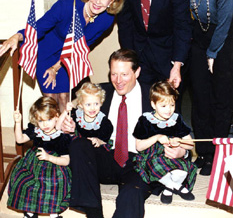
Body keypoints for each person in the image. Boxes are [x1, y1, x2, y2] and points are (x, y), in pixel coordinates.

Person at [63, 48, 188, 218]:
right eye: (114, 74)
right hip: (107, 157)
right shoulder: (101, 94)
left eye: (124, 74)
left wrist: (181, 151)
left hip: (140, 163)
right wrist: (68, 126)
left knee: (131, 193)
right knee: (78, 145)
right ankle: (93, 214)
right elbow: (78, 116)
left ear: (137, 72)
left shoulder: (156, 96)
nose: (118, 81)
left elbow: (182, 137)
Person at [0, 0, 124, 112]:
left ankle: (65, 132)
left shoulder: (106, 19)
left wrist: (56, 67)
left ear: (111, 2)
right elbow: (39, 27)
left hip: (69, 54)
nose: (97, 1)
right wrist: (17, 36)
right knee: (51, 97)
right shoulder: (66, 5)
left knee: (65, 98)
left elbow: (83, 46)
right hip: (46, 49)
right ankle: (51, 131)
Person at [166, 0, 233, 175]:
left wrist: (213, 53)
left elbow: (224, 22)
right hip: (197, 39)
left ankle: (218, 153)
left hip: (223, 41)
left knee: (221, 100)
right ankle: (203, 153)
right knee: (200, 99)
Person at [133, 81, 197, 205]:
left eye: (172, 105)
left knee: (183, 171)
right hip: (151, 159)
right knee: (157, 165)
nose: (169, 110)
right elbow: (139, 146)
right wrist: (157, 137)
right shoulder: (145, 120)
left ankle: (168, 188)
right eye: (163, 106)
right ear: (153, 104)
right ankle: (177, 187)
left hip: (171, 157)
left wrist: (180, 142)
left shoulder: (176, 119)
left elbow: (191, 144)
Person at [7, 96, 72, 218]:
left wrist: (49, 157)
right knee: (25, 182)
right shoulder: (36, 131)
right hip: (33, 164)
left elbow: (66, 160)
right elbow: (19, 139)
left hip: (54, 167)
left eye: (49, 119)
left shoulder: (61, 138)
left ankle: (54, 214)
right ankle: (30, 212)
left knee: (52, 185)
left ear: (56, 117)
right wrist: (17, 122)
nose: (45, 124)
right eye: (41, 121)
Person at [57, 82, 113, 147]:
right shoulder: (76, 115)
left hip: (94, 152)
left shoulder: (104, 123)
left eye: (96, 104)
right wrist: (65, 111)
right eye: (88, 104)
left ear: (101, 103)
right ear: (81, 104)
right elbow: (58, 127)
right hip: (76, 148)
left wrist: (99, 141)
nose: (92, 108)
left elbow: (105, 142)